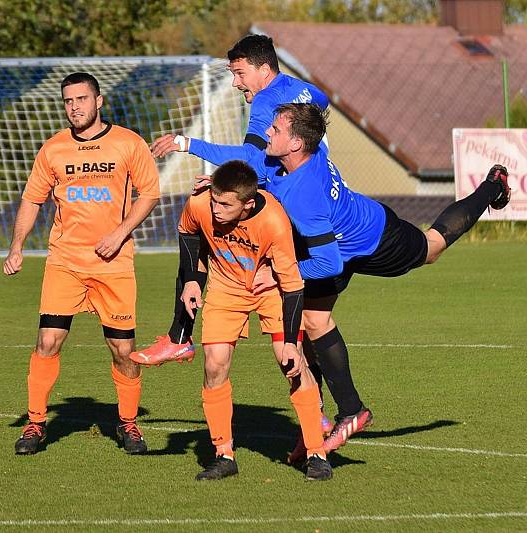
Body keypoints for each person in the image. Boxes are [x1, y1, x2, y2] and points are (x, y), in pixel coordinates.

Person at [260, 103, 511, 460]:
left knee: (431, 246)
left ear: (298, 143)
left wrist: (279, 272)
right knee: (312, 321)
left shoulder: (304, 196)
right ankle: (329, 416)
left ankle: (492, 188)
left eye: (276, 129)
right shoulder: (299, 156)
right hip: (335, 243)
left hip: (375, 237)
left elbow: (327, 264)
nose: (268, 132)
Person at [131, 33, 329, 366]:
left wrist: (186, 143)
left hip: (290, 204)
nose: (236, 84)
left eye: (240, 73)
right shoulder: (306, 90)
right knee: (309, 326)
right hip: (314, 195)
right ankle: (321, 410)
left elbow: (252, 157)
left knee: (203, 230)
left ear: (263, 69)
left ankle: (180, 337)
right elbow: (273, 156)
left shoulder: (267, 101)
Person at [3, 72, 160, 456]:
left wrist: (120, 233)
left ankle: (128, 424)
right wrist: (17, 246)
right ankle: (36, 424)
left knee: (123, 350)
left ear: (99, 101)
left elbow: (150, 194)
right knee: (47, 341)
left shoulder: (127, 143)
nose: (75, 107)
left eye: (82, 99)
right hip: (65, 263)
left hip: (114, 265)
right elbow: (32, 199)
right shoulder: (53, 149)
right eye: (69, 101)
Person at [176, 159, 332, 481]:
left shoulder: (274, 222)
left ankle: (317, 452)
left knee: (292, 363)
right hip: (225, 286)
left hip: (270, 288)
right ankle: (224, 454)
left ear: (247, 205)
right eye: (214, 200)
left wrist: (291, 343)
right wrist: (192, 279)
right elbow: (187, 232)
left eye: (225, 204)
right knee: (214, 363)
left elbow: (292, 287)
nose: (216, 209)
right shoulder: (200, 202)